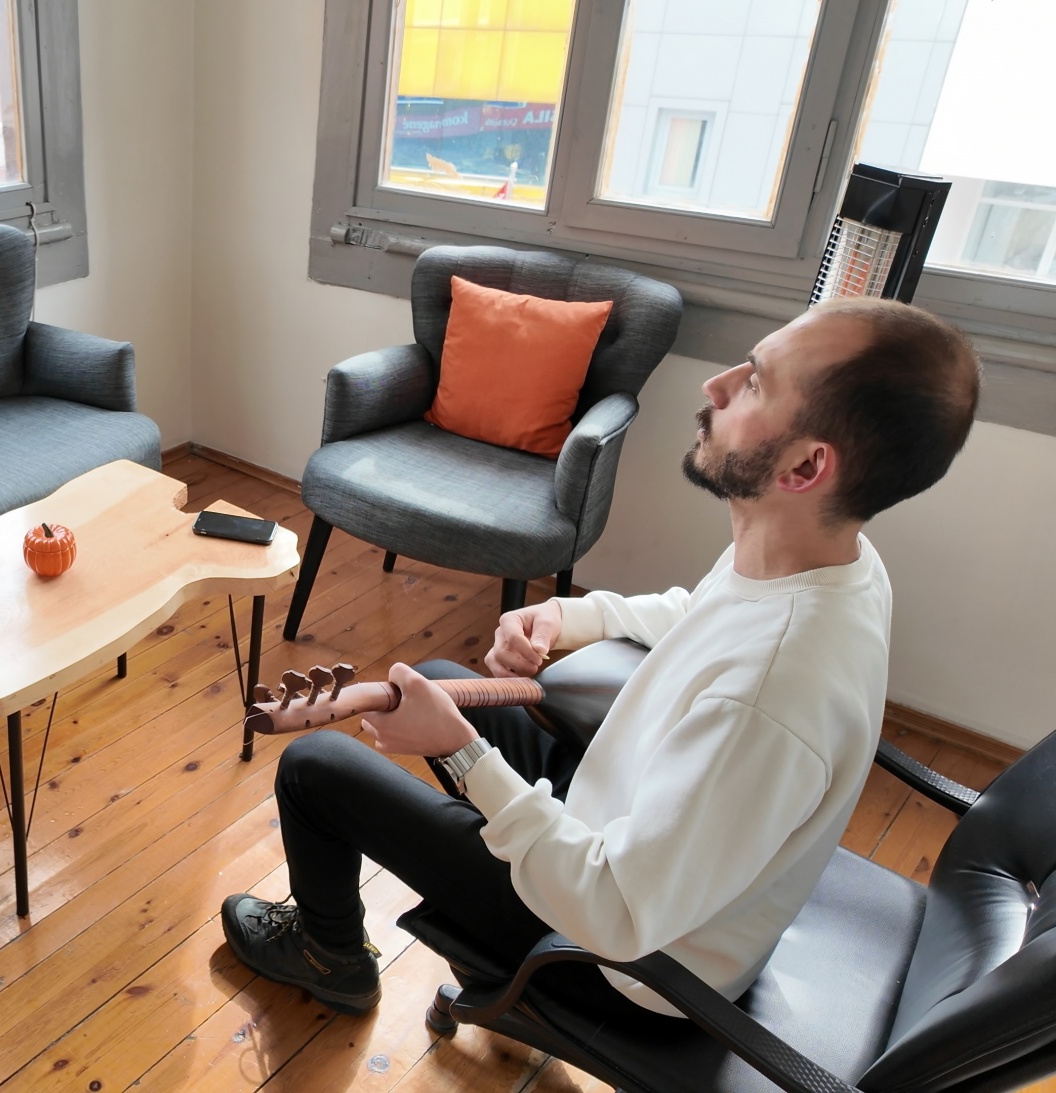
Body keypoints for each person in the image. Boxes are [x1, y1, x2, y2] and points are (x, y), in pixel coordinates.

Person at [221, 297, 982, 1018]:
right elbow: (700, 615)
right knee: (447, 680)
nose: (715, 386)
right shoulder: (825, 558)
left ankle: (329, 956)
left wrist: (461, 753)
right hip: (625, 836)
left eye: (754, 382)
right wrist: (567, 616)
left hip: (621, 963)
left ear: (807, 467)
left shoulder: (773, 691)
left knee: (316, 767)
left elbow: (616, 911)